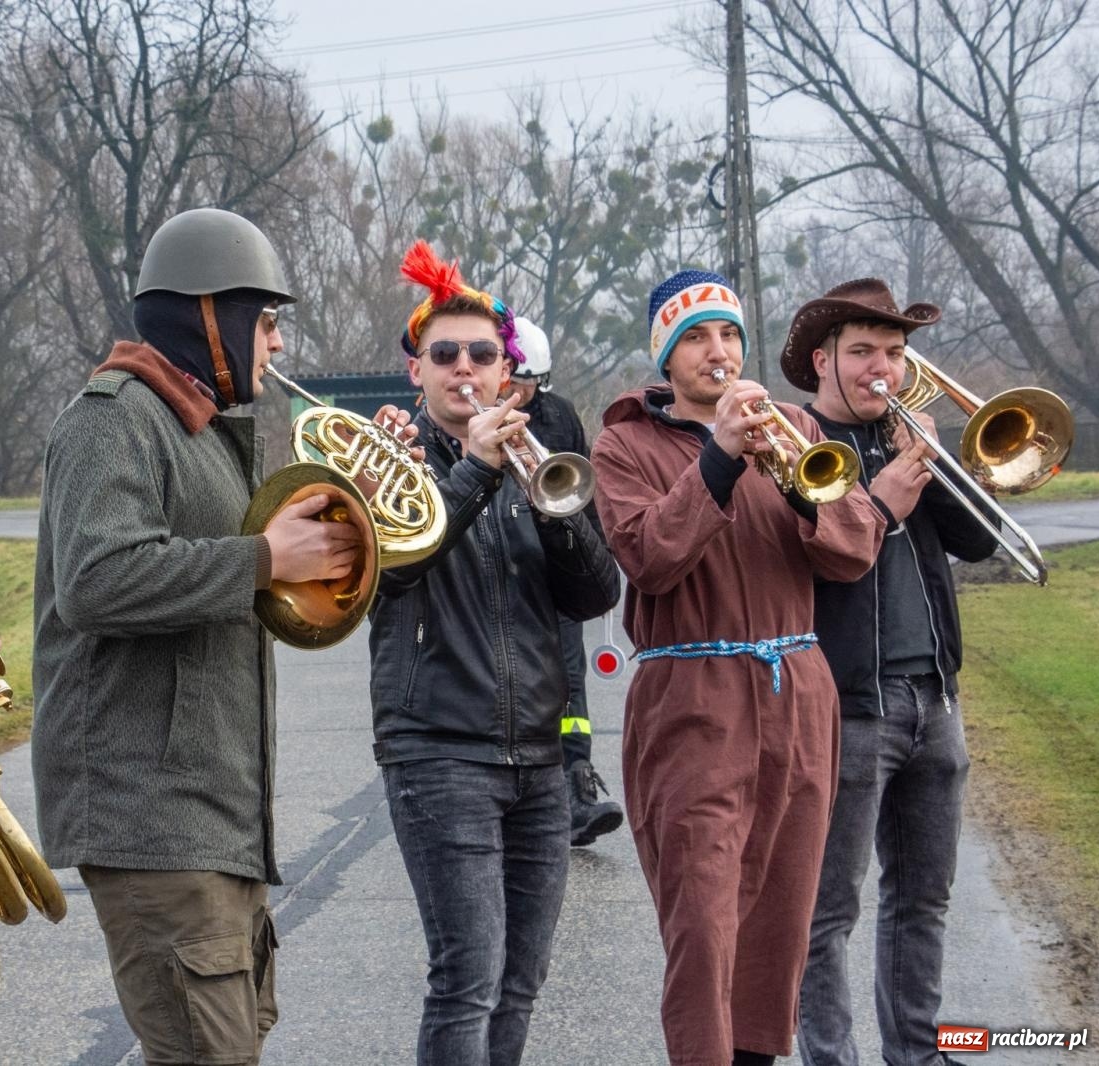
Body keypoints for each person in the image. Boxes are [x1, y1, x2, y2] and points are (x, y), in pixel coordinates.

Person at [32, 207, 396, 1066]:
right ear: (211, 316)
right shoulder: (112, 418)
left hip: (216, 818)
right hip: (152, 816)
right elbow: (96, 580)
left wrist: (330, 531)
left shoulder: (199, 434)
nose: (274, 345)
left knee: (230, 1044)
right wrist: (266, 556)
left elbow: (222, 574)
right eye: (265, 321)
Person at [589, 269, 887, 1066]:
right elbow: (649, 558)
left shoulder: (790, 425)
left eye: (728, 335)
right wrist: (718, 459)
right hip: (693, 692)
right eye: (695, 337)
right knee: (703, 916)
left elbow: (856, 547)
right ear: (665, 354)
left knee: (782, 921)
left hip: (798, 686)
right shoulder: (624, 443)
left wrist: (799, 491)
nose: (716, 352)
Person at [367, 242, 621, 1066]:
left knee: (520, 979)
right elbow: (398, 570)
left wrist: (546, 501)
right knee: (467, 975)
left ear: (508, 372)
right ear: (417, 371)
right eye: (446, 354)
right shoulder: (388, 463)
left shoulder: (532, 462)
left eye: (485, 354)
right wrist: (474, 469)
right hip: (439, 753)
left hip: (540, 761)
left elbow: (595, 595)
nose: (466, 368)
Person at [785, 280, 999, 1066]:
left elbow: (979, 543)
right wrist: (878, 497)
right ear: (822, 361)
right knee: (827, 908)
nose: (885, 369)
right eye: (865, 352)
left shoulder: (914, 439)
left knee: (922, 898)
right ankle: (831, 1057)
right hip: (848, 704)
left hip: (934, 697)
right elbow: (819, 562)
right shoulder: (801, 448)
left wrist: (937, 466)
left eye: (897, 354)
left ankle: (918, 1051)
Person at [507, 316, 625, 847]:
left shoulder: (557, 416)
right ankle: (517, 796)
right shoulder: (469, 419)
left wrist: (596, 559)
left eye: (524, 383)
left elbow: (582, 490)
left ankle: (577, 787)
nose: (514, 391)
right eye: (510, 378)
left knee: (570, 685)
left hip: (556, 569)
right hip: (505, 573)